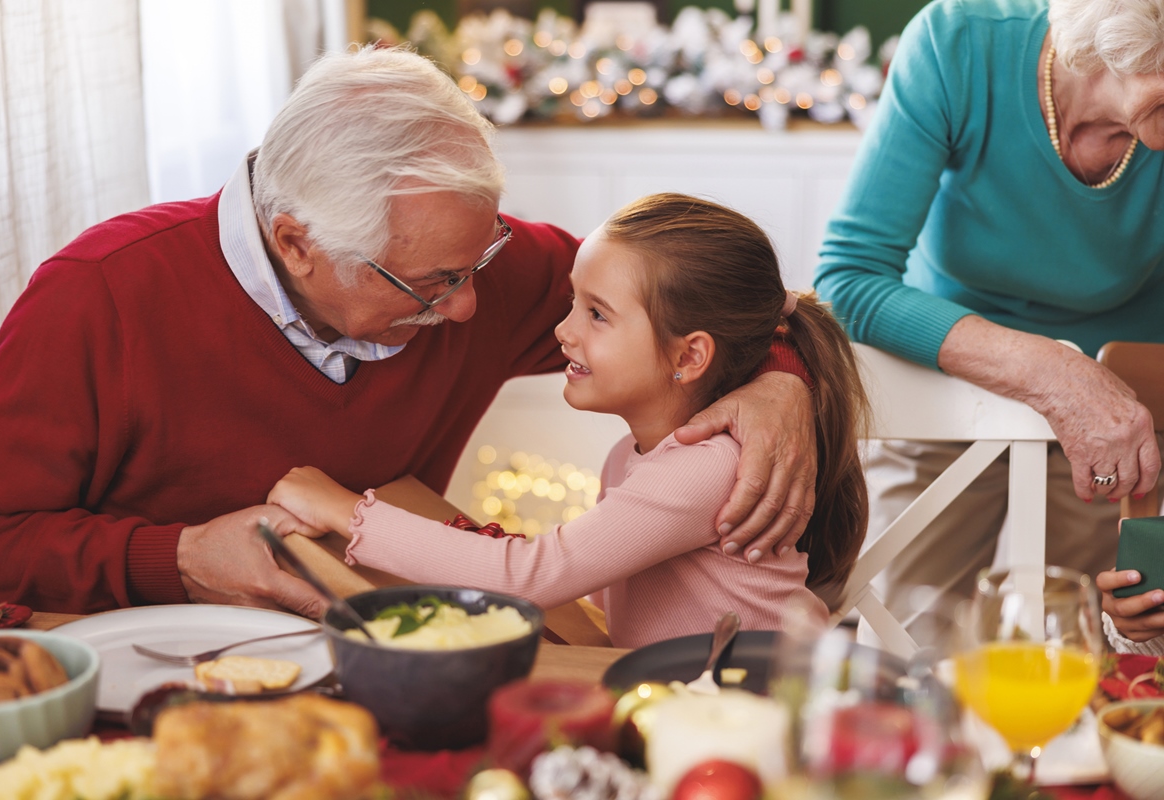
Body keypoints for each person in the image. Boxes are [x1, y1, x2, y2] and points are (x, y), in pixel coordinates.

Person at [0, 47, 817, 618]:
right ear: (298, 242)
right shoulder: (99, 298)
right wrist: (179, 557)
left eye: (479, 261)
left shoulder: (469, 264)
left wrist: (778, 380)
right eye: (434, 284)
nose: (469, 310)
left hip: (394, 666)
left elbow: (705, 299)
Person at [266, 193, 869, 647]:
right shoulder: (632, 456)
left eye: (597, 315)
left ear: (690, 356)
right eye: (573, 302)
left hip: (761, 717)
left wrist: (345, 510)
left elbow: (534, 575)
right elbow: (589, 588)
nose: (563, 330)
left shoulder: (705, 468)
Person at [814, 0, 1164, 635]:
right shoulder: (959, 45)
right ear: (1114, 44)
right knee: (904, 638)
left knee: (1075, 645)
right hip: (944, 380)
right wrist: (1055, 371)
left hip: (1117, 414)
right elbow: (849, 280)